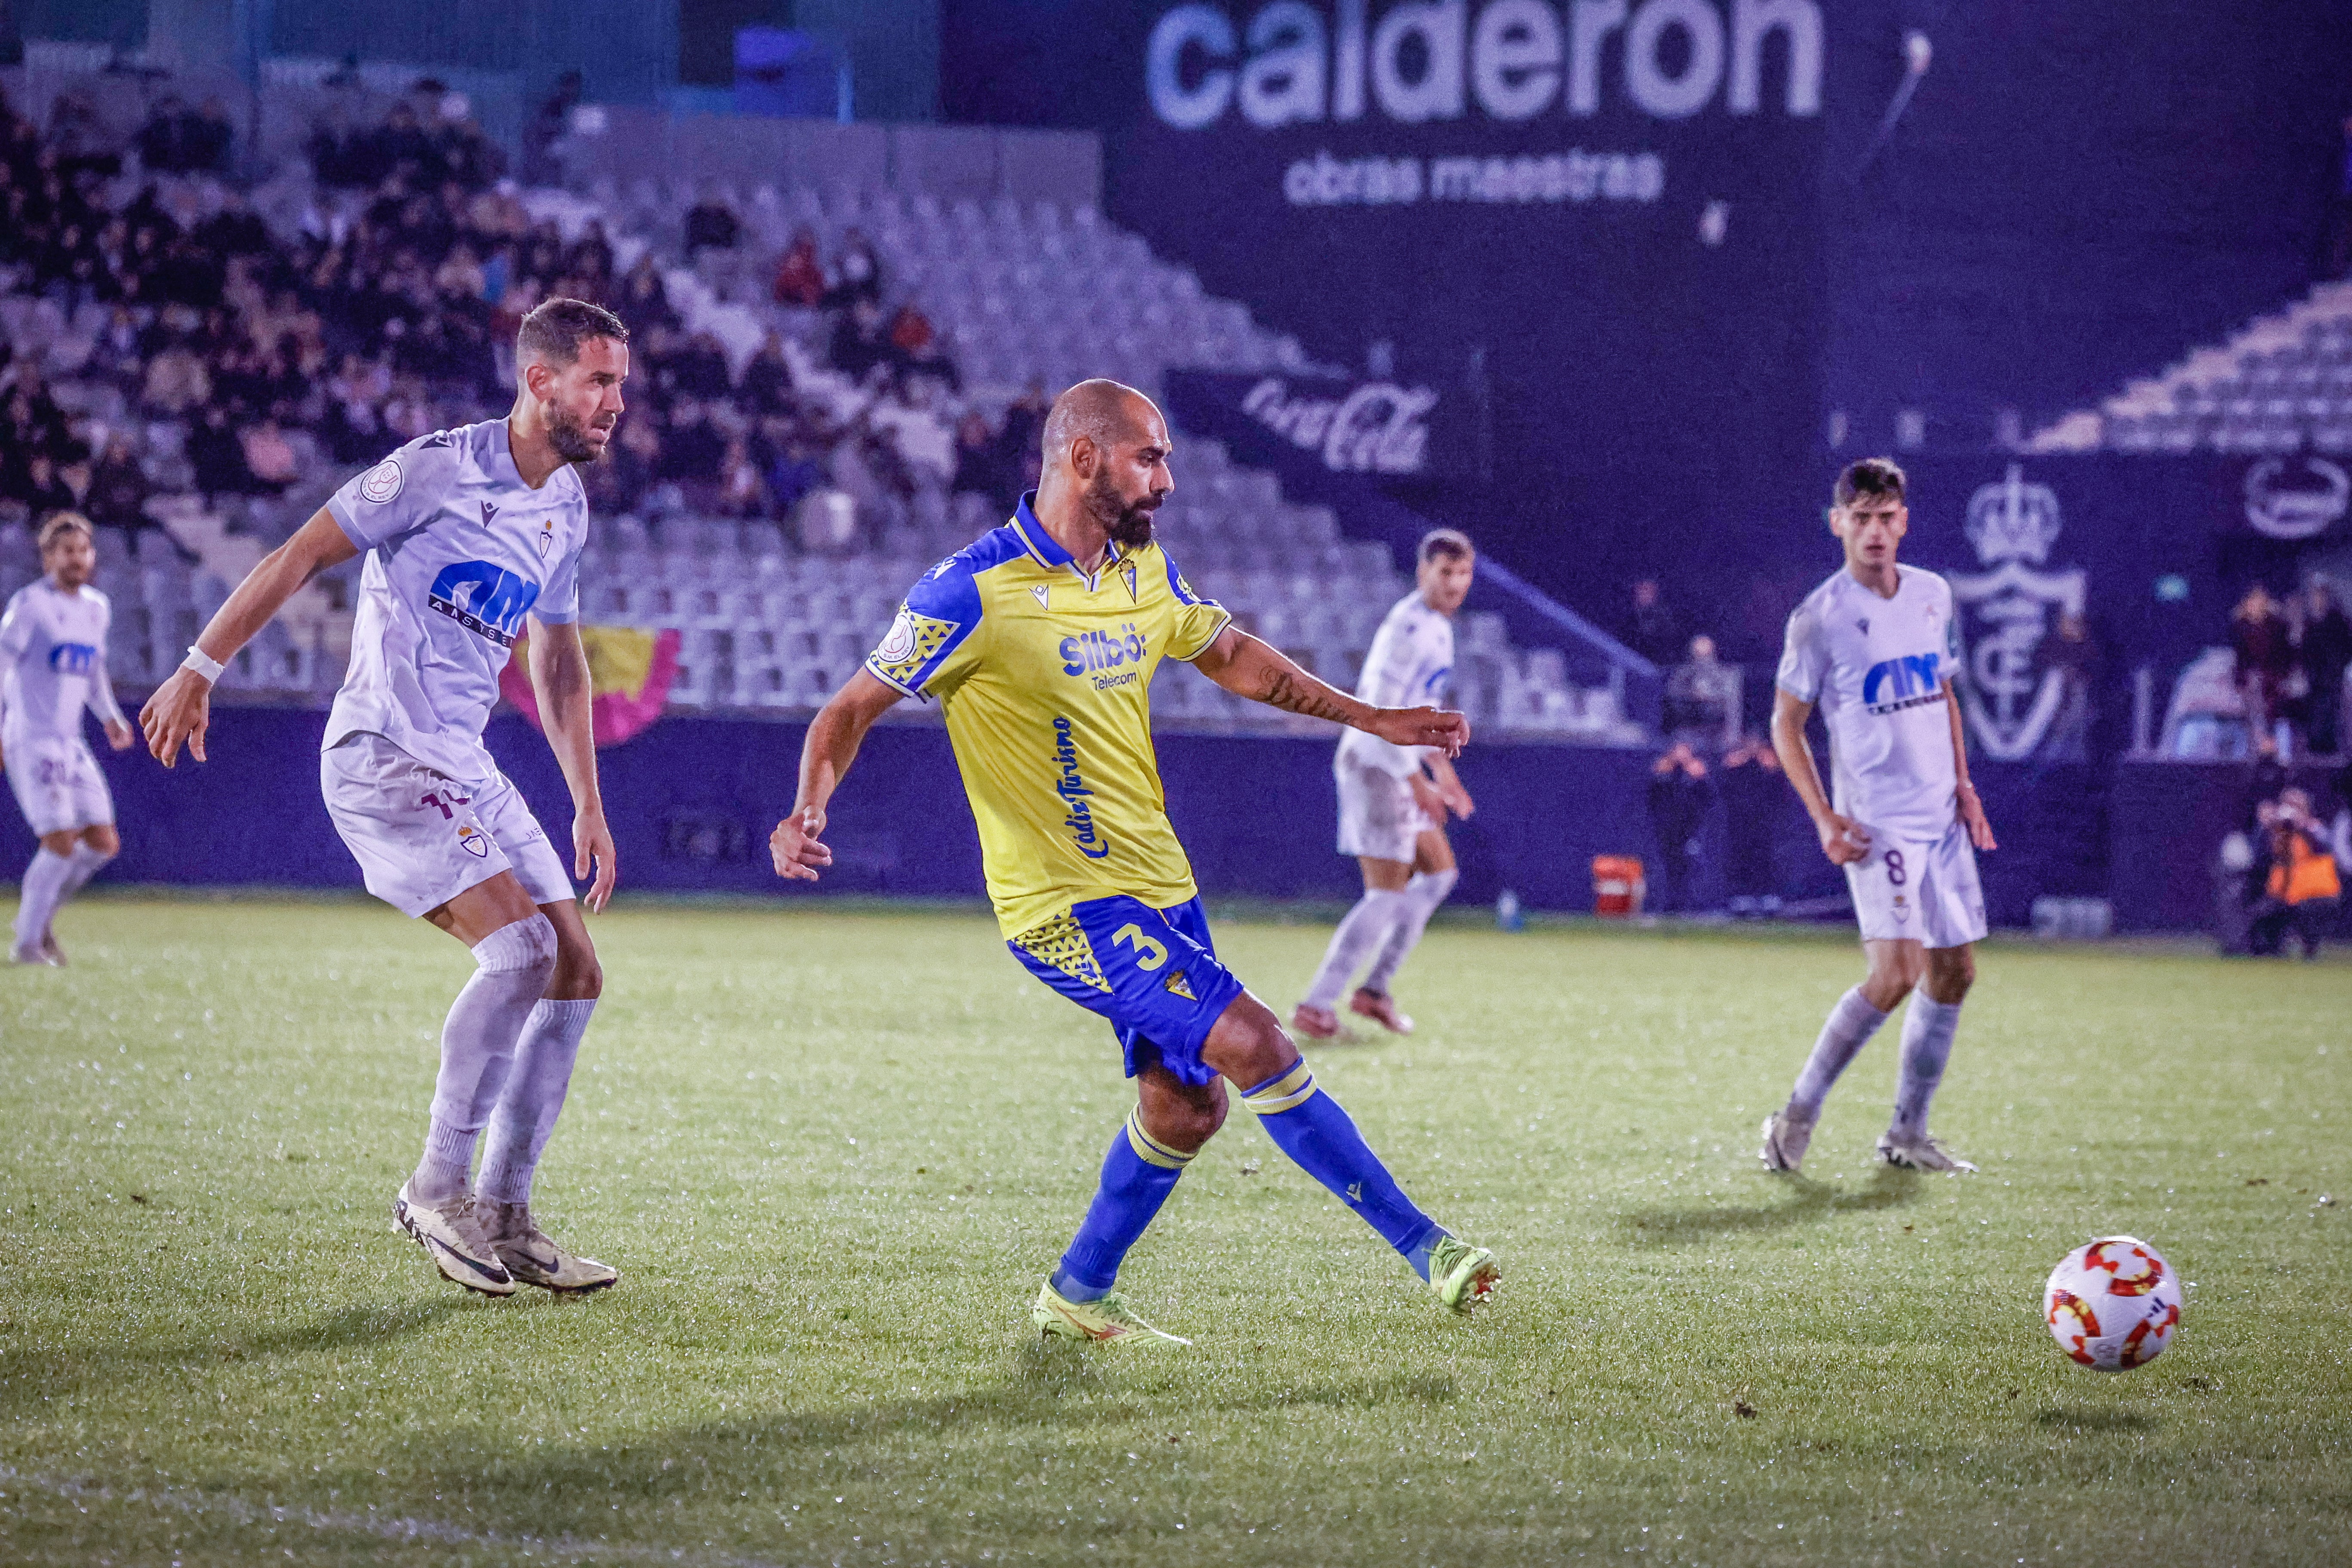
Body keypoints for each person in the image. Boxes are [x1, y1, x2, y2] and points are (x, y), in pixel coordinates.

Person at [769, 380, 1499, 1344]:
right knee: (1258, 1046)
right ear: (1083, 459)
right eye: (1149, 458)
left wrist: (1369, 716)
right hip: (1066, 909)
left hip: (1163, 888)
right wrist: (807, 804)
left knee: (1186, 1105)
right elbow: (848, 709)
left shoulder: (1141, 569)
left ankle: (1077, 1293)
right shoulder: (971, 589)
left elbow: (1231, 653)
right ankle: (1430, 1250)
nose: (1166, 479)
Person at [140, 299, 629, 1299]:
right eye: (600, 381)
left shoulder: (565, 506)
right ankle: (436, 1188)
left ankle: (503, 1208)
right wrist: (200, 663)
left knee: (576, 970)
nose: (616, 404)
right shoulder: (438, 468)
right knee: (523, 952)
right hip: (385, 754)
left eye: (620, 383)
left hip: (467, 761)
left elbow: (559, 653)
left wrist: (587, 796)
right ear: (539, 381)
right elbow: (301, 552)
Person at [1760, 457, 1998, 1176]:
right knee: (1894, 974)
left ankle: (1906, 1133)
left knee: (1953, 972)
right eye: (1858, 518)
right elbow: (1783, 723)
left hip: (1940, 815)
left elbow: (1944, 694)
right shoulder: (1818, 618)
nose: (1873, 530)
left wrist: (1962, 782)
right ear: (1837, 524)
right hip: (1877, 822)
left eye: (1885, 517)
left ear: (1904, 522)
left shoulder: (1931, 595)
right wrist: (1825, 818)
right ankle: (1794, 1114)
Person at [1293, 530, 1477, 1038]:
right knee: (1385, 894)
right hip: (1375, 765)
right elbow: (1378, 712)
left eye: (1463, 574)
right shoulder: (1407, 629)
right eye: (1445, 573)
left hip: (1401, 767)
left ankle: (1374, 991)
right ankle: (1317, 1004)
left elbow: (1422, 712)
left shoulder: (1438, 627)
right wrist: (1415, 781)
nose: (1455, 584)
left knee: (1438, 874)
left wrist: (1442, 772)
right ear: (1423, 572)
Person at [2, 513, 134, 964]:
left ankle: (35, 925)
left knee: (102, 842)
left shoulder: (97, 607)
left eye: (83, 550)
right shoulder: (29, 605)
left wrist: (111, 718)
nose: (77, 559)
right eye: (67, 551)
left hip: (71, 741)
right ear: (48, 557)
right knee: (59, 842)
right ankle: (28, 945)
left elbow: (92, 671)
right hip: (31, 738)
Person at [2249, 787, 2341, 959]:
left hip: (2316, 893)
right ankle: (2272, 949)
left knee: (2308, 913)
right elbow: (2258, 856)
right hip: (2283, 893)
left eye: (2297, 806)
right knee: (2263, 913)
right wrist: (2265, 826)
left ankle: (2308, 949)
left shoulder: (2315, 828)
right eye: (2288, 805)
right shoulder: (2277, 831)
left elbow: (2328, 846)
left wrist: (2303, 826)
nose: (2291, 810)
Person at [1646, 741, 1716, 915]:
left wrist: (1701, 778)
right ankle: (1667, 905)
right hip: (1667, 830)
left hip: (1691, 829)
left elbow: (1708, 800)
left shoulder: (1695, 774)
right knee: (1666, 867)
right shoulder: (1665, 773)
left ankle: (1691, 906)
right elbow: (1653, 798)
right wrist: (1661, 774)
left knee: (1690, 867)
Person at [2231, 584, 2294, 757]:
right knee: (2254, 719)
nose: (2257, 604)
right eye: (2254, 600)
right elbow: (2241, 658)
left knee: (2272, 718)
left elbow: (2284, 653)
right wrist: (2240, 681)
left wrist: (2282, 678)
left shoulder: (2276, 626)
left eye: (2261, 600)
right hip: (2252, 681)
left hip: (2272, 680)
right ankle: (2256, 752)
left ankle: (2273, 753)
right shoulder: (2242, 627)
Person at [2297, 578, 2351, 758]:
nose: (2318, 600)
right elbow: (2305, 651)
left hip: (2331, 681)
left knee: (2332, 719)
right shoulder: (2311, 623)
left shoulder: (2338, 622)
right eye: (2315, 596)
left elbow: (2344, 650)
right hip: (2316, 682)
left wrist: (2334, 672)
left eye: (2321, 595)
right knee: (2316, 721)